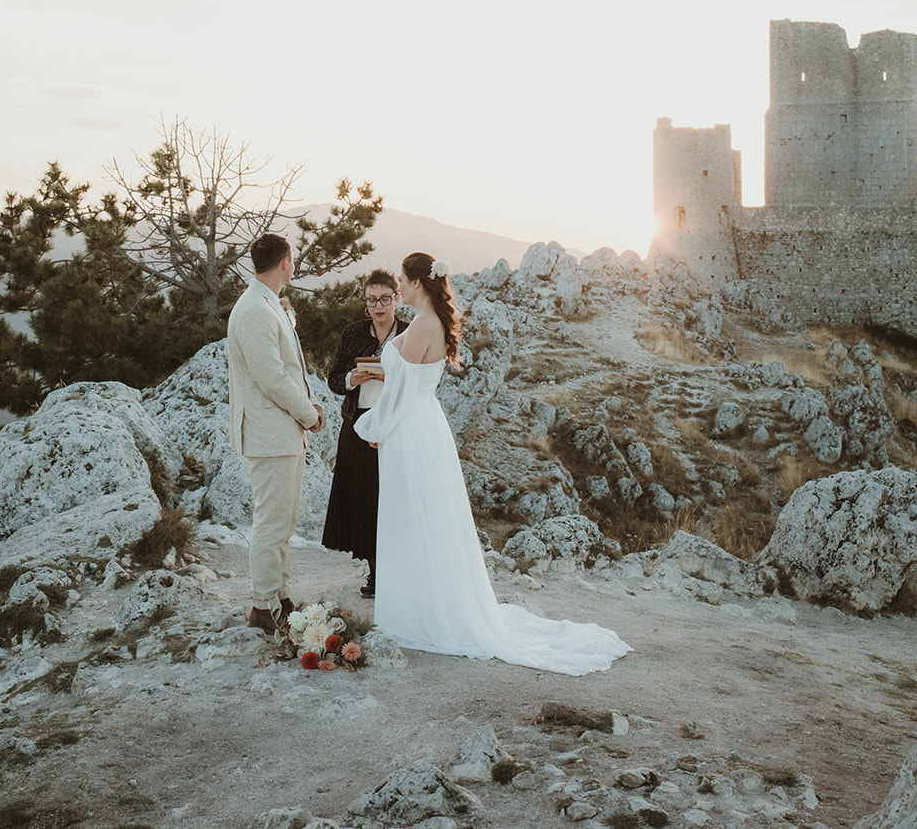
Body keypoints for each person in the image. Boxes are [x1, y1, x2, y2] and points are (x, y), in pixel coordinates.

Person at [354, 252, 631, 675]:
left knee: (412, 516)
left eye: (402, 280)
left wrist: (374, 428)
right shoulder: (433, 324)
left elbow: (399, 394)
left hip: (409, 429)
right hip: (425, 425)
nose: (399, 287)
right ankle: (425, 603)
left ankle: (417, 613)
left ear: (415, 284)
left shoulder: (421, 328)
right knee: (425, 517)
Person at [226, 232, 326, 634]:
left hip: (282, 432)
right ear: (285, 262)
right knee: (270, 521)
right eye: (293, 257)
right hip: (270, 431)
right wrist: (308, 413)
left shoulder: (269, 304)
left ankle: (280, 594)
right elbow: (272, 377)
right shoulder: (253, 309)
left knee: (284, 519)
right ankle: (261, 605)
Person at [321, 268, 402, 598]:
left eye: (385, 298)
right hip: (358, 424)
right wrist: (352, 380)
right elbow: (333, 378)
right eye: (372, 300)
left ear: (397, 299)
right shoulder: (353, 333)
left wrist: (390, 379)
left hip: (397, 425)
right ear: (365, 303)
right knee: (365, 497)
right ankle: (374, 570)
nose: (379, 306)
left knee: (394, 496)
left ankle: (398, 567)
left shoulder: (408, 334)